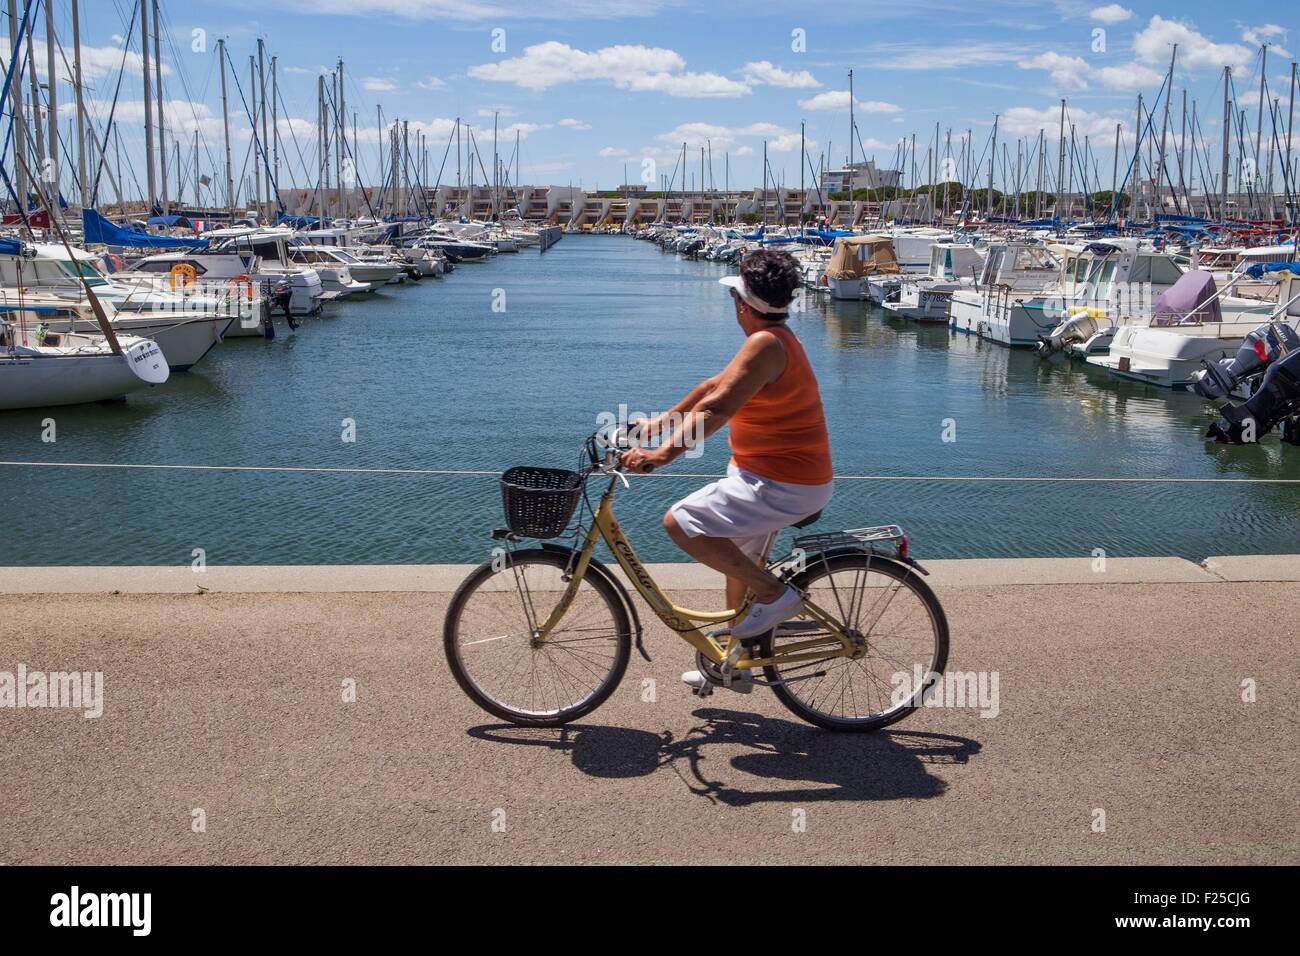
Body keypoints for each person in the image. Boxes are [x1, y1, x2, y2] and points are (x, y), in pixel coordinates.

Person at [621, 248, 834, 692]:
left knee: (680, 522)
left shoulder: (765, 345)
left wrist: (660, 456)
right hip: (772, 478)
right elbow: (712, 387)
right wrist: (658, 423)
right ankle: (732, 664)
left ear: (742, 302)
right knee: (738, 568)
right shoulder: (774, 341)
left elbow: (718, 407)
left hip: (781, 484)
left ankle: (778, 596)